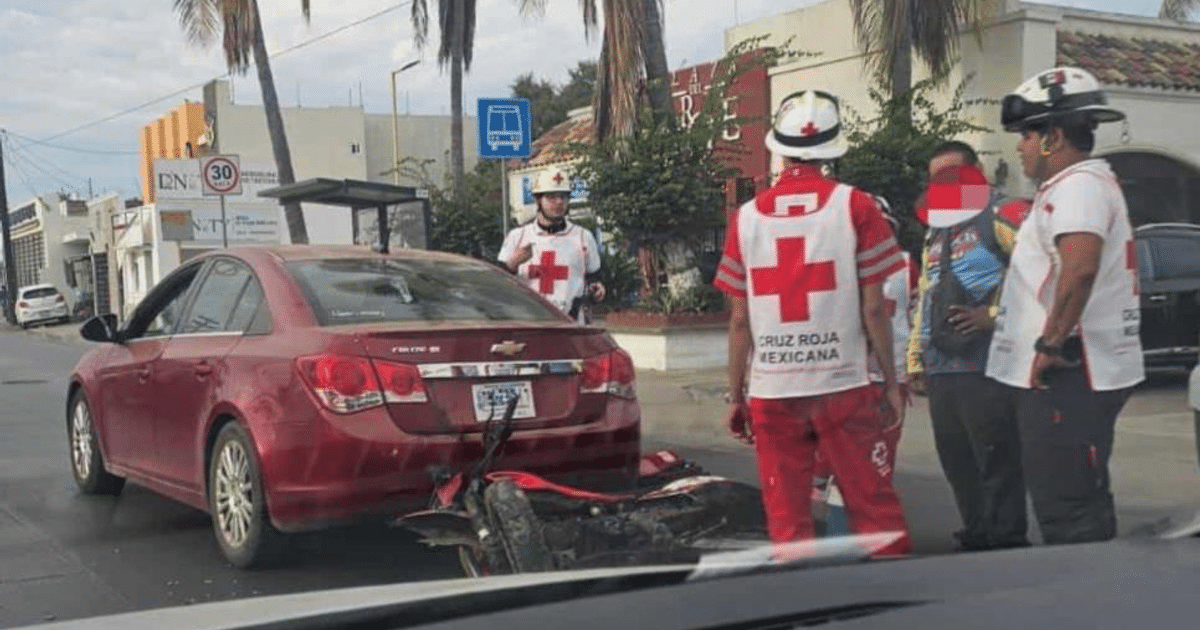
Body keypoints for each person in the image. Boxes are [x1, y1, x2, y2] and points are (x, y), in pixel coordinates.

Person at [713, 90, 912, 556]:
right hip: (842, 385)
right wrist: (887, 381)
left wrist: (736, 394)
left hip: (773, 392)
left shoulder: (745, 219)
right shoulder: (857, 207)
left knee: (787, 516)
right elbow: (873, 309)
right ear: (834, 147)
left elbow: (740, 320)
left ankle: (801, 604)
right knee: (873, 507)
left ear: (778, 149)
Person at [986, 67, 1144, 544]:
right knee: (1074, 499)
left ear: (1053, 136)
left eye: (1026, 135)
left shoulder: (1077, 187)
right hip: (1070, 373)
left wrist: (1050, 344)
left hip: (1069, 374)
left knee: (1069, 511)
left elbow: (1079, 269)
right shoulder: (1076, 187)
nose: (1020, 147)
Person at [907, 142, 1032, 551]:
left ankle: (1006, 539)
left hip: (988, 365)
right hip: (942, 367)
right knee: (957, 461)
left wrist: (993, 317)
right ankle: (977, 532)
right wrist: (915, 359)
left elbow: (1044, 274)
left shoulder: (1003, 214)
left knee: (996, 459)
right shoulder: (937, 229)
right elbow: (926, 295)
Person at [812, 196, 915, 537]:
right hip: (888, 376)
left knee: (843, 462)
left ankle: (842, 533)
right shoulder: (906, 264)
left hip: (848, 377)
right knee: (877, 463)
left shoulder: (836, 265)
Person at [498, 166, 605, 323]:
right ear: (538, 200)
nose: (559, 202)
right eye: (551, 197)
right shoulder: (518, 236)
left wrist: (597, 289)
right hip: (529, 324)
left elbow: (594, 277)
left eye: (563, 197)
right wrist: (512, 264)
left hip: (571, 324)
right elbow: (498, 284)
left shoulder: (583, 237)